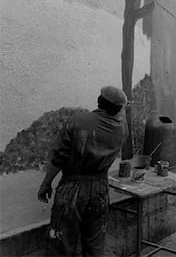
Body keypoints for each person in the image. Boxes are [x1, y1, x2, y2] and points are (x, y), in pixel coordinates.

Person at [38, 86, 129, 256]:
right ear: (118, 108)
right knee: (95, 246)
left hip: (72, 189)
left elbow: (58, 158)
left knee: (61, 244)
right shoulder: (122, 128)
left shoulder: (78, 121)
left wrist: (46, 184)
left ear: (99, 101)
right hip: (100, 190)